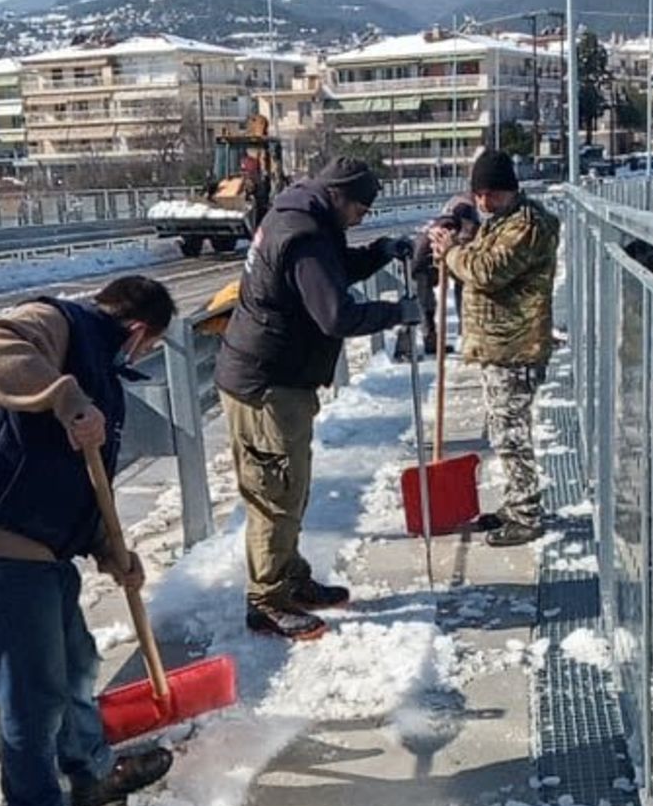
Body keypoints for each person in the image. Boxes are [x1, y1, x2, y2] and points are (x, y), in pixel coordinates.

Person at [0, 275, 178, 806]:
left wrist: (110, 550)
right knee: (32, 694)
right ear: (138, 331)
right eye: (149, 349)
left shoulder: (102, 360)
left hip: (48, 547)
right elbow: (2, 343)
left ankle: (92, 772)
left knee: (76, 666)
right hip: (9, 548)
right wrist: (67, 394)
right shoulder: (59, 323)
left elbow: (81, 479)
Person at [215, 157, 419, 642]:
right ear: (338, 196)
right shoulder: (303, 234)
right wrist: (397, 312)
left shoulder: (303, 218)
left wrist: (380, 252)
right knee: (275, 495)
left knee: (289, 488)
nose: (361, 218)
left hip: (276, 377)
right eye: (361, 210)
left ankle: (290, 578)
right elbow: (334, 314)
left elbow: (331, 272)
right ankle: (266, 601)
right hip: (266, 383)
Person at [430, 150, 559, 548]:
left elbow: (487, 271)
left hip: (515, 347)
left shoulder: (527, 225)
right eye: (479, 194)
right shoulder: (500, 222)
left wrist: (451, 253)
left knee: (511, 434)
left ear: (510, 190)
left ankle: (526, 514)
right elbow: (479, 257)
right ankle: (515, 502)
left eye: (492, 194)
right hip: (497, 346)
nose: (484, 202)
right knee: (504, 431)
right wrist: (455, 245)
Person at [412, 198, 478, 354]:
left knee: (427, 303)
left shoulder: (445, 220)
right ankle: (438, 340)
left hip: (430, 261)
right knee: (428, 304)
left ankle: (456, 336)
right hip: (424, 263)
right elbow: (468, 236)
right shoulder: (458, 221)